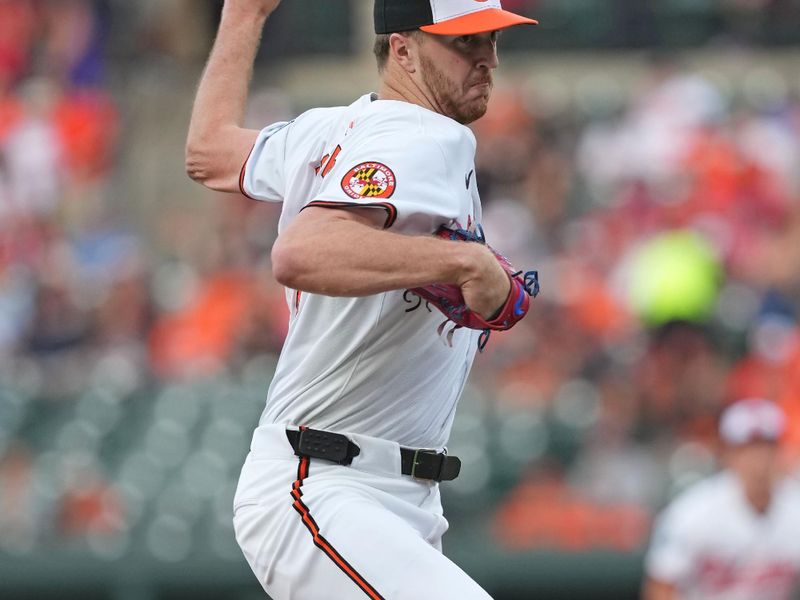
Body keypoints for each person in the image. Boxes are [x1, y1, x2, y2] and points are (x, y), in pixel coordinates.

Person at [185, 1, 537, 598]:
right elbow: (300, 254)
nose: (487, 59)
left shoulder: (332, 130)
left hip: (386, 496)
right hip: (328, 485)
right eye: (465, 42)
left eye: (492, 41)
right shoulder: (423, 133)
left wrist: (243, 17)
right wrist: (462, 259)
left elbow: (209, 151)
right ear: (401, 49)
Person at [643, 398, 800, 600]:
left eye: (767, 447)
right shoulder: (693, 510)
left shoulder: (794, 508)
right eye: (748, 449)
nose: (759, 460)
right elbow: (660, 586)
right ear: (728, 453)